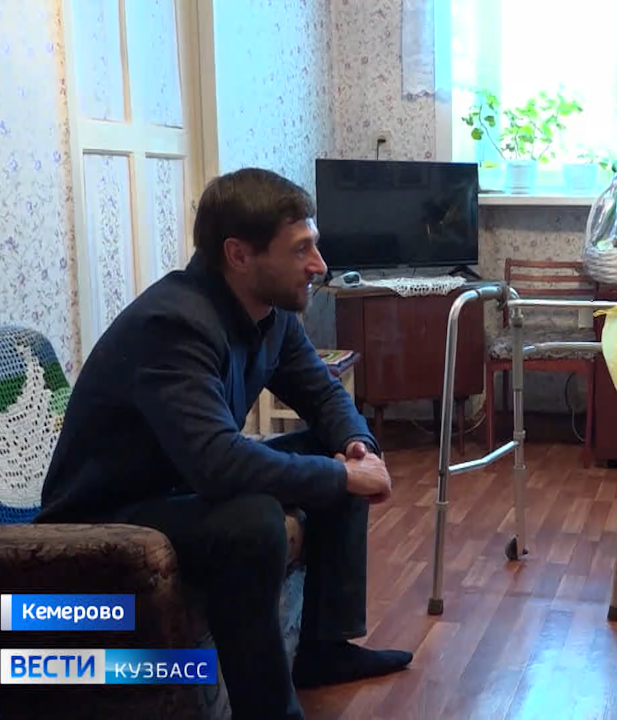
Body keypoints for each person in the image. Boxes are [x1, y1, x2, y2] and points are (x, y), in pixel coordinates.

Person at [36, 168, 412, 720]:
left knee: (332, 457)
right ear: (238, 254)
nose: (319, 265)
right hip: (108, 512)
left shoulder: (271, 313)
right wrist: (343, 475)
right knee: (253, 520)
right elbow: (216, 463)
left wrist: (356, 446)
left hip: (181, 485)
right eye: (301, 249)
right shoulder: (174, 325)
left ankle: (323, 650)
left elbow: (321, 393)